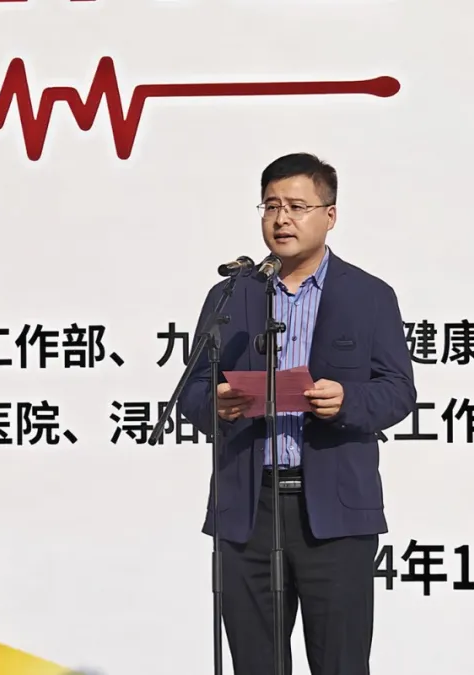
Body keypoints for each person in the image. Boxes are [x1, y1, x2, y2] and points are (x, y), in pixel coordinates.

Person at [179, 152, 416, 675]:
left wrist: (347, 401)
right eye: (271, 206)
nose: (281, 219)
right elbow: (192, 391)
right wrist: (216, 404)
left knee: (341, 664)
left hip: (334, 513)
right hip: (248, 509)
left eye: (296, 206)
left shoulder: (369, 296)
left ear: (330, 216)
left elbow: (399, 391)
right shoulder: (231, 296)